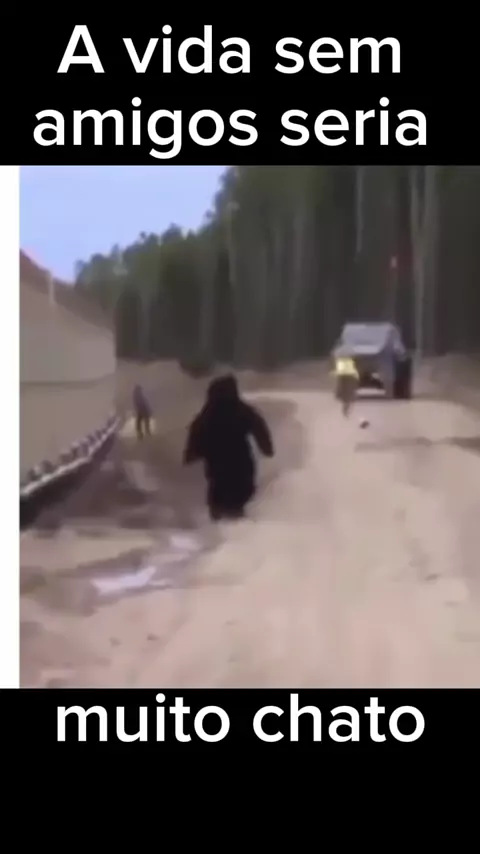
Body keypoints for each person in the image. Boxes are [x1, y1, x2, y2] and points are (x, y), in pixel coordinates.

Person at [183, 374, 274, 521]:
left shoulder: (208, 414)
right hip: (241, 466)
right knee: (237, 501)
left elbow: (195, 437)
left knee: (219, 502)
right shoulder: (242, 410)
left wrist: (191, 454)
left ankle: (222, 528)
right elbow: (260, 429)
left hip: (218, 469)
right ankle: (238, 527)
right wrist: (267, 448)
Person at [332, 348, 359, 417]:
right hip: (347, 374)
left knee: (345, 392)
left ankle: (345, 407)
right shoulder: (350, 354)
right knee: (347, 393)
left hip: (345, 374)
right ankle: (346, 407)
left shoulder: (339, 353)